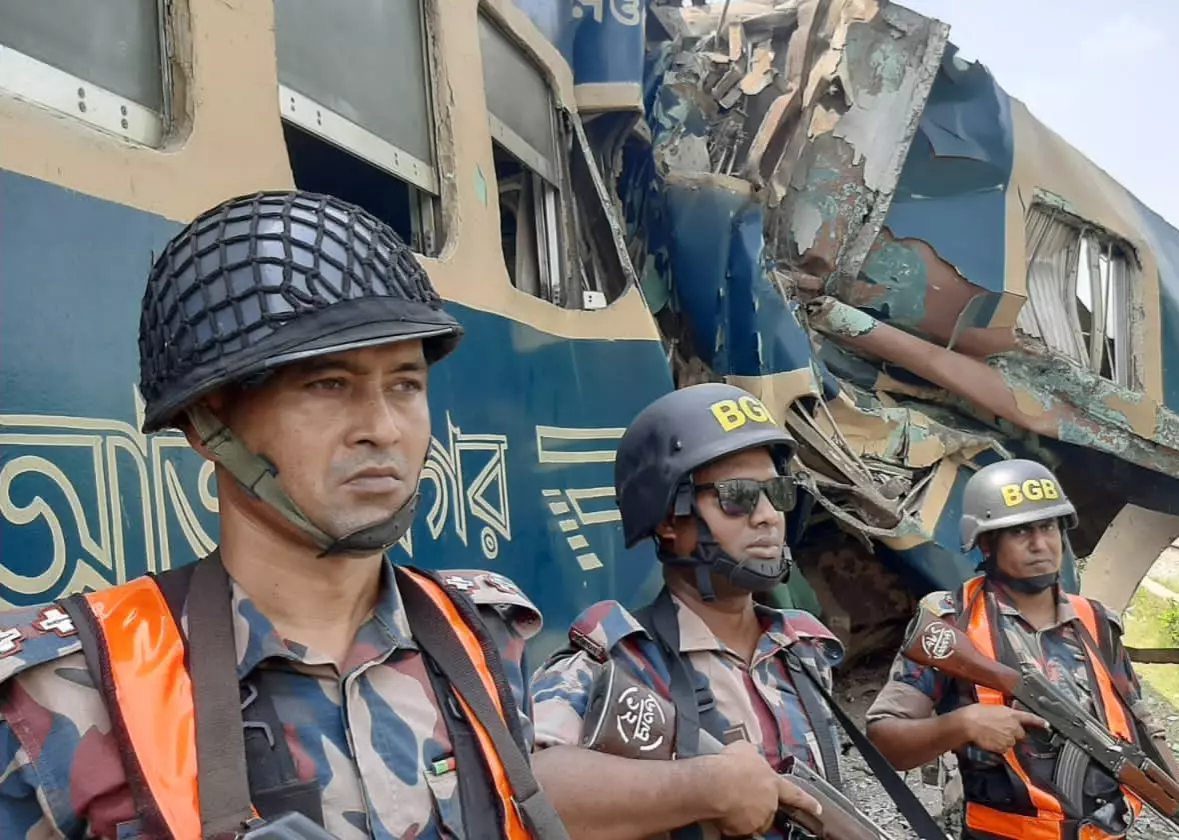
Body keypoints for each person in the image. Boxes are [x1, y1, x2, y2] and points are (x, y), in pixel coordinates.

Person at [0, 191, 565, 840]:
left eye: (405, 384)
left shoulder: (485, 636)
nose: (381, 428)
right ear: (209, 421)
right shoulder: (65, 692)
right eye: (328, 385)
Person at [526, 383, 843, 840]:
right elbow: (531, 788)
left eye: (777, 492)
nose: (769, 515)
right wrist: (704, 788)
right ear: (669, 520)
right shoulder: (618, 661)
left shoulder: (805, 649)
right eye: (738, 496)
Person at [863, 459, 1179, 840]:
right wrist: (962, 724)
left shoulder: (1097, 621)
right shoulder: (953, 621)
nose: (1040, 545)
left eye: (1048, 527)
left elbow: (1142, 724)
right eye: (1019, 532)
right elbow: (886, 740)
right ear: (985, 542)